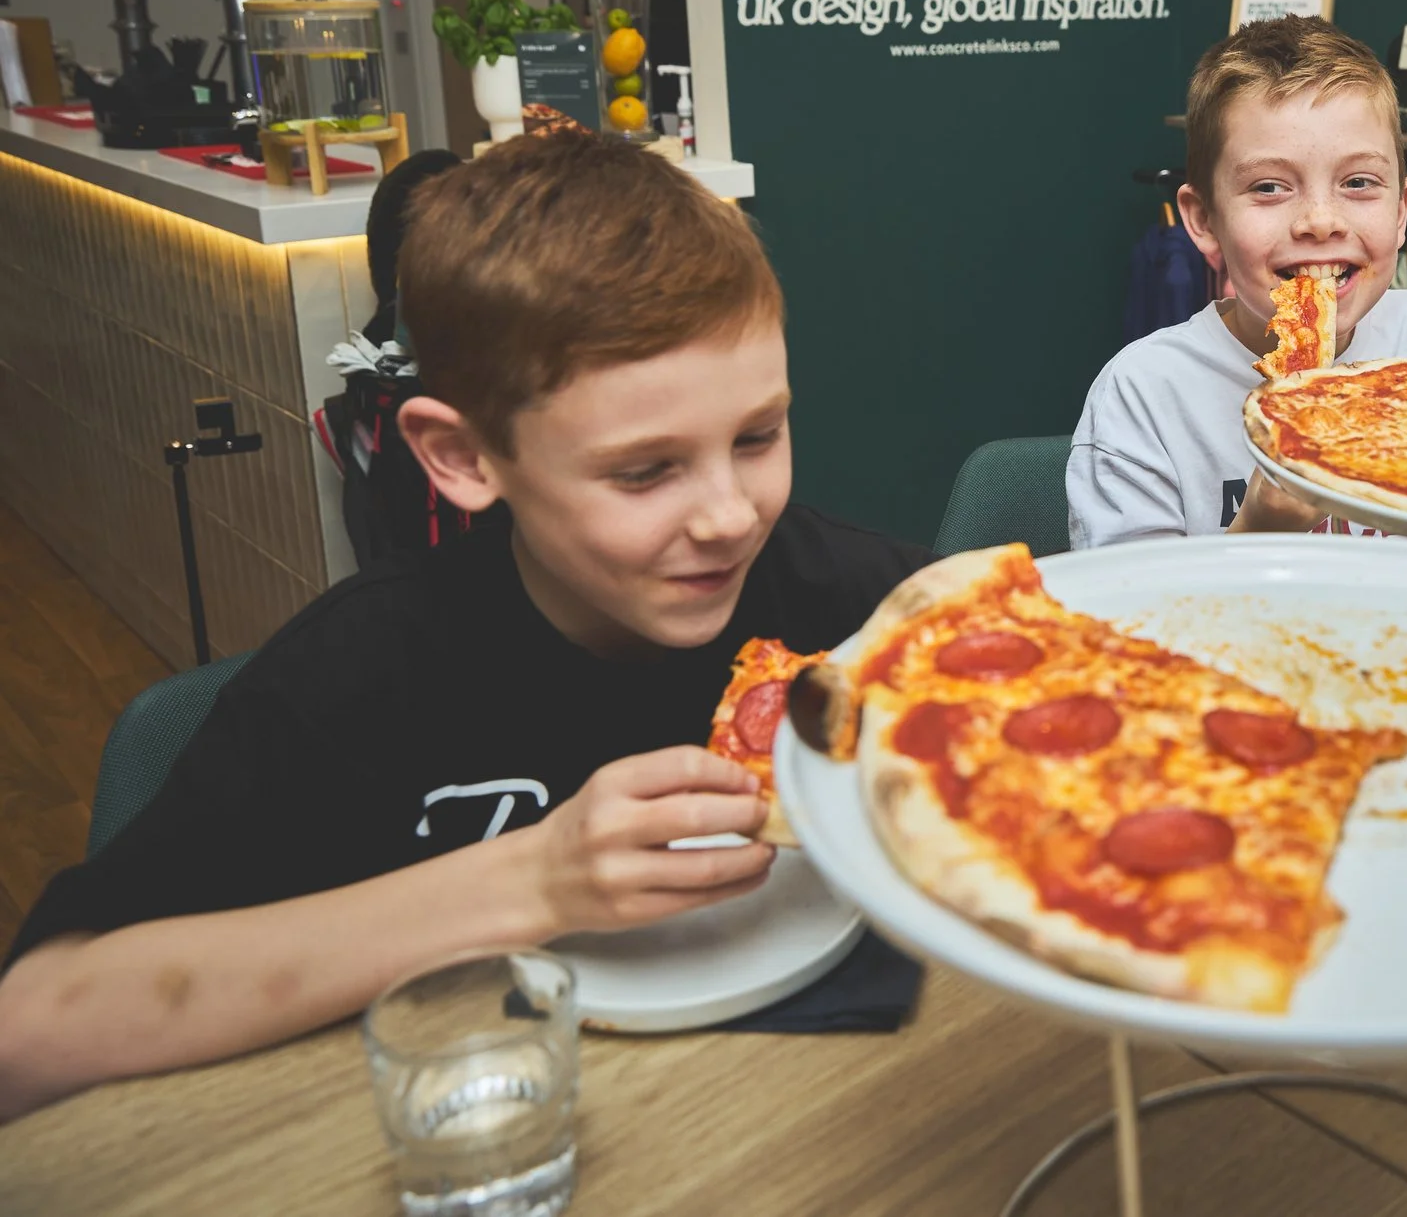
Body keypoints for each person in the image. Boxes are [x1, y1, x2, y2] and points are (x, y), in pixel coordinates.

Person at [0, 134, 926, 1119]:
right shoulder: (360, 673)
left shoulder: (865, 605)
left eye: (757, 435)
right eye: (643, 469)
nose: (731, 514)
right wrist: (534, 876)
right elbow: (35, 1028)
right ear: (462, 457)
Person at [1068, 18, 1407, 546]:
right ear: (1203, 220)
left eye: (1359, 182)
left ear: (1402, 209)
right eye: (1270, 187)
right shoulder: (1144, 394)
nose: (1321, 221)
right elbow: (1128, 619)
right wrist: (1258, 528)